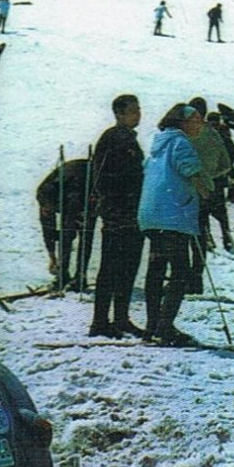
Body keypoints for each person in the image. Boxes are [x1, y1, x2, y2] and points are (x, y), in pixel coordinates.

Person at [138, 103, 212, 346]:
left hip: (152, 215)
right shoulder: (180, 142)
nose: (200, 124)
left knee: (156, 269)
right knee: (180, 272)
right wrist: (203, 189)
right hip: (173, 216)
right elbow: (189, 167)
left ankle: (152, 325)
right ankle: (165, 326)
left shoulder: (157, 145)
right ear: (182, 122)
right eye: (196, 120)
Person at [89, 94, 147, 338]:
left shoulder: (128, 139)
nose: (138, 113)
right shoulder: (113, 138)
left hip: (131, 213)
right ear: (120, 114)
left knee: (128, 268)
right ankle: (100, 322)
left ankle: (121, 318)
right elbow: (102, 177)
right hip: (118, 213)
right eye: (133, 110)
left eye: (138, 109)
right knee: (111, 268)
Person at [187, 97, 234, 254]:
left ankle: (206, 244)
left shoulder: (184, 135)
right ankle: (227, 240)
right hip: (216, 184)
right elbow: (227, 163)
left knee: (201, 221)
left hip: (194, 188)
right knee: (221, 215)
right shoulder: (215, 133)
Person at [36, 157, 92, 291]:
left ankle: (80, 276)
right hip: (68, 186)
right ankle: (63, 273)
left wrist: (73, 224)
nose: (47, 212)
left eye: (48, 210)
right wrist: (52, 258)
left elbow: (69, 229)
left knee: (84, 234)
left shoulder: (71, 195)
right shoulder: (43, 194)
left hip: (87, 185)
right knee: (66, 233)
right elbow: (48, 230)